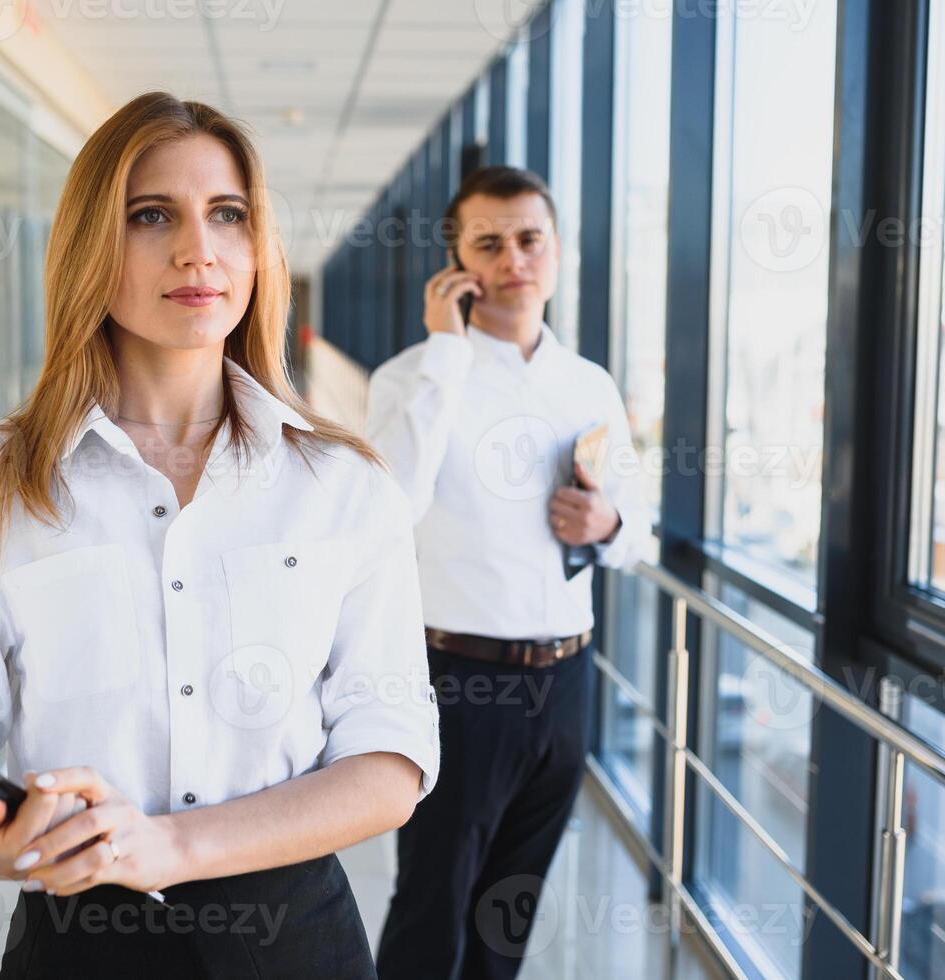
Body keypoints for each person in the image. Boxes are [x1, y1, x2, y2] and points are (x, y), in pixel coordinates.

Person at [0, 91, 440, 979]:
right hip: (76, 943)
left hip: (293, 944)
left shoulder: (342, 484)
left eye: (228, 215)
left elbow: (390, 761)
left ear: (260, 251)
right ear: (89, 249)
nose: (198, 250)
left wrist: (172, 847)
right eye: (151, 216)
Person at [367, 165, 651, 979]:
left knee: (511, 905)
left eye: (529, 239)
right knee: (433, 899)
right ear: (457, 263)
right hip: (459, 676)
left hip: (566, 680)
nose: (513, 259)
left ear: (555, 251)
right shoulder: (412, 378)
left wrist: (610, 524)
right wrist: (445, 349)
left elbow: (639, 535)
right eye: (489, 243)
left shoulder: (588, 383)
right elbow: (394, 499)